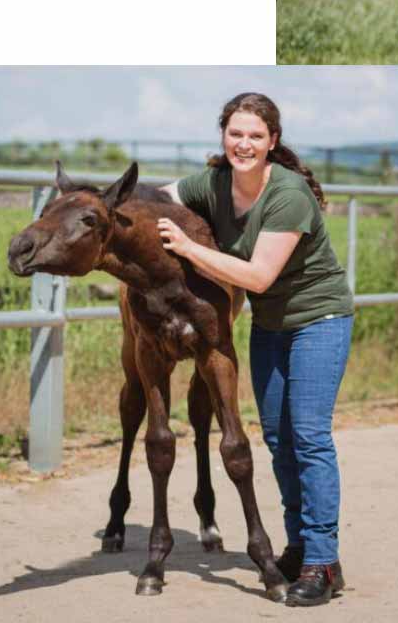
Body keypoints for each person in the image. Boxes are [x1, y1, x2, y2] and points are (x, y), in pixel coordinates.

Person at [157, 92, 353, 605]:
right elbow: (160, 197)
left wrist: (189, 248)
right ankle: (300, 546)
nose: (244, 144)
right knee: (278, 438)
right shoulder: (213, 182)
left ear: (273, 142)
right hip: (271, 327)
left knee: (308, 437)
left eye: (255, 136)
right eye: (235, 133)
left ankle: (322, 561)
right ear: (223, 136)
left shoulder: (287, 195)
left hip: (319, 320)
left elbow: (260, 277)